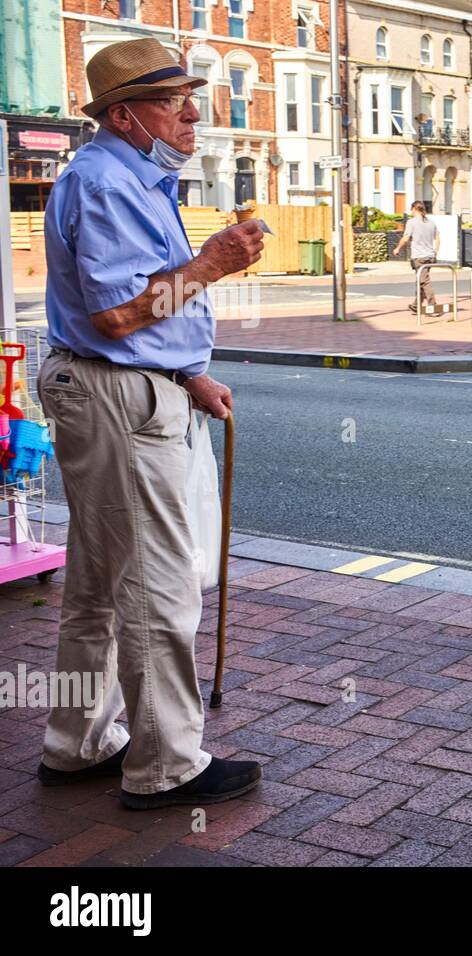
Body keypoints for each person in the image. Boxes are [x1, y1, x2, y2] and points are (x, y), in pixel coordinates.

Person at [37, 38, 265, 809]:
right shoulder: (108, 182)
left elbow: (130, 312)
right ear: (127, 116)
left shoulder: (127, 176)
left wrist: (189, 371)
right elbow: (115, 313)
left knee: (100, 583)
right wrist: (210, 267)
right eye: (173, 101)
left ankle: (78, 743)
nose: (192, 111)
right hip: (117, 399)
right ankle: (167, 765)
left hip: (118, 388)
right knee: (155, 585)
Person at [394, 201, 440, 316]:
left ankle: (433, 306)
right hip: (430, 256)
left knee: (424, 282)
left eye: (412, 210)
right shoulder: (431, 222)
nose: (411, 212)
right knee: (421, 280)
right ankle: (416, 305)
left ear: (414, 209)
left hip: (419, 257)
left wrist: (397, 248)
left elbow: (405, 238)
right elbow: (438, 238)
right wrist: (435, 251)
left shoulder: (412, 222)